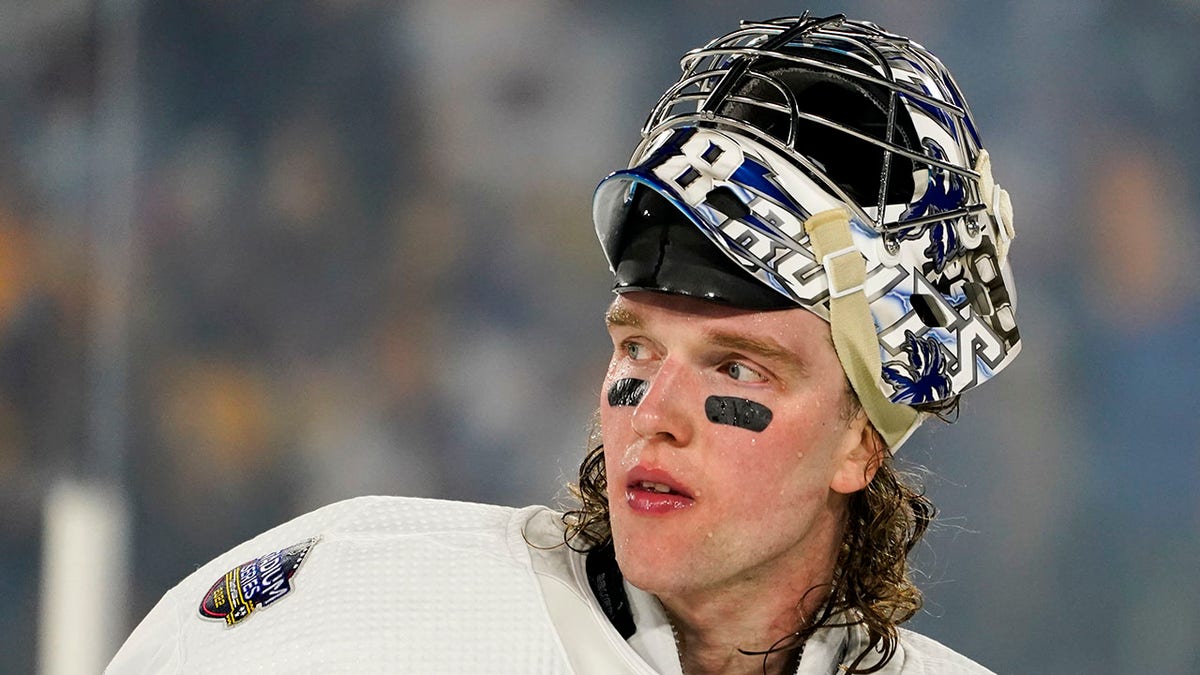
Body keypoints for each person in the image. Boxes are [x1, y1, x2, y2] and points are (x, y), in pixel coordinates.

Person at [108, 13, 1018, 674]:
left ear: (861, 438)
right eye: (637, 350)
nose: (653, 416)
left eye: (735, 366)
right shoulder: (363, 602)